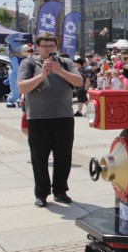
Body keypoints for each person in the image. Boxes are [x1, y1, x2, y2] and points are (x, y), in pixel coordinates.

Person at [18, 32, 84, 208]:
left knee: (64, 157)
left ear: (56, 46)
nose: (48, 49)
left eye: (51, 46)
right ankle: (41, 193)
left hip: (63, 117)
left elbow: (79, 82)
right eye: (44, 46)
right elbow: (22, 86)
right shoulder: (29, 63)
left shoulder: (65, 62)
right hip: (38, 118)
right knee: (39, 158)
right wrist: (42, 75)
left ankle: (60, 191)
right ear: (37, 47)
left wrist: (59, 71)